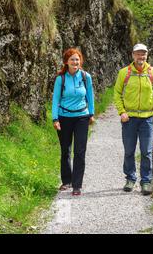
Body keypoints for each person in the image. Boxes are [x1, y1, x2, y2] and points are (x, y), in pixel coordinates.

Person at [113, 43, 153, 195]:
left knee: (146, 151)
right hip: (129, 119)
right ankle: (130, 178)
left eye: (143, 54)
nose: (140, 56)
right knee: (129, 150)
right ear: (133, 55)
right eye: (138, 54)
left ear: (146, 55)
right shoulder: (124, 73)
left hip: (147, 118)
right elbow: (117, 93)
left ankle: (146, 181)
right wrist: (122, 112)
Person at [52, 48, 95, 196]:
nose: (75, 62)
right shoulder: (61, 79)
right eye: (72, 60)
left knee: (80, 152)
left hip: (82, 117)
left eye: (77, 59)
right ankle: (66, 181)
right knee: (65, 150)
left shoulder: (85, 76)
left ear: (80, 61)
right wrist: (55, 118)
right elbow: (56, 99)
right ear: (66, 62)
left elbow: (90, 95)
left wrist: (91, 114)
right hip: (64, 117)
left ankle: (77, 185)